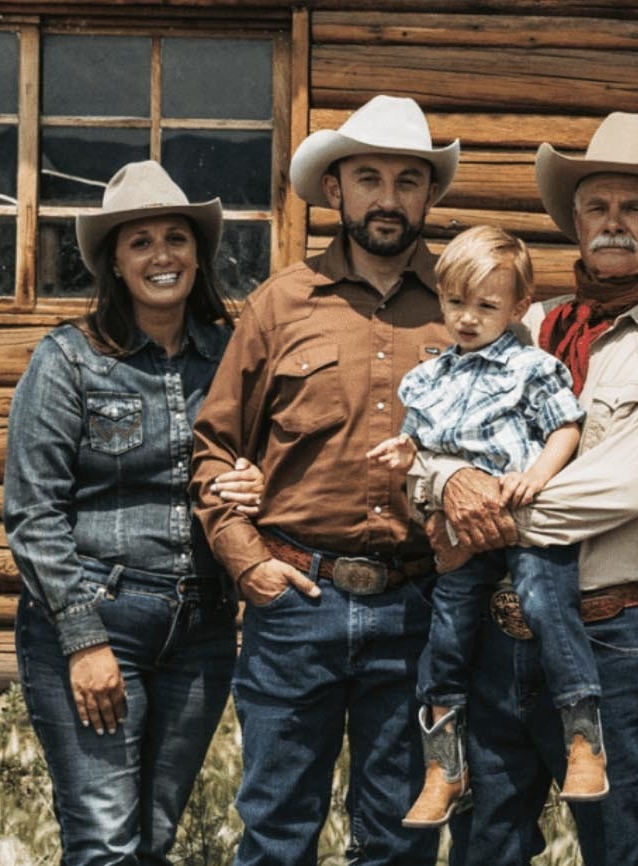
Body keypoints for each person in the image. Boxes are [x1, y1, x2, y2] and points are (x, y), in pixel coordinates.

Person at [406, 111, 638, 866]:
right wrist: (447, 478)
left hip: (601, 633)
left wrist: (480, 515)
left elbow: (625, 484)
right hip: (493, 630)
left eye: (634, 207)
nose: (612, 224)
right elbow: (442, 438)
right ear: (574, 220)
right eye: (597, 206)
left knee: (617, 845)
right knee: (487, 845)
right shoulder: (526, 325)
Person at [189, 94, 458, 866]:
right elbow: (214, 449)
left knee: (403, 836)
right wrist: (249, 564)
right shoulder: (281, 304)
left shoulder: (461, 313)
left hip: (417, 608)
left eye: (408, 180)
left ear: (428, 195)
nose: (388, 197)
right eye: (367, 177)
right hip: (295, 602)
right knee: (276, 831)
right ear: (334, 190)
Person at [4, 160, 261, 865]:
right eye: (139, 241)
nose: (161, 256)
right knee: (106, 844)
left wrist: (256, 484)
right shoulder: (71, 360)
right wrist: (84, 641)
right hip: (100, 617)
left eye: (174, 237)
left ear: (197, 252)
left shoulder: (230, 359)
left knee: (151, 841)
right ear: (114, 263)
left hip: (204, 629)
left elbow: (269, 463)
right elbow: (32, 513)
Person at [364, 224, 602, 827]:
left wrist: (540, 477)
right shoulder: (430, 376)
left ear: (519, 307)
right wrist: (405, 455)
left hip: (523, 522)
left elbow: (565, 428)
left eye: (487, 306)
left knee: (550, 609)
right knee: (446, 634)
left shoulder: (531, 369)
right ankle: (444, 764)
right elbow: (421, 445)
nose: (467, 319)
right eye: (456, 303)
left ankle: (583, 739)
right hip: (463, 533)